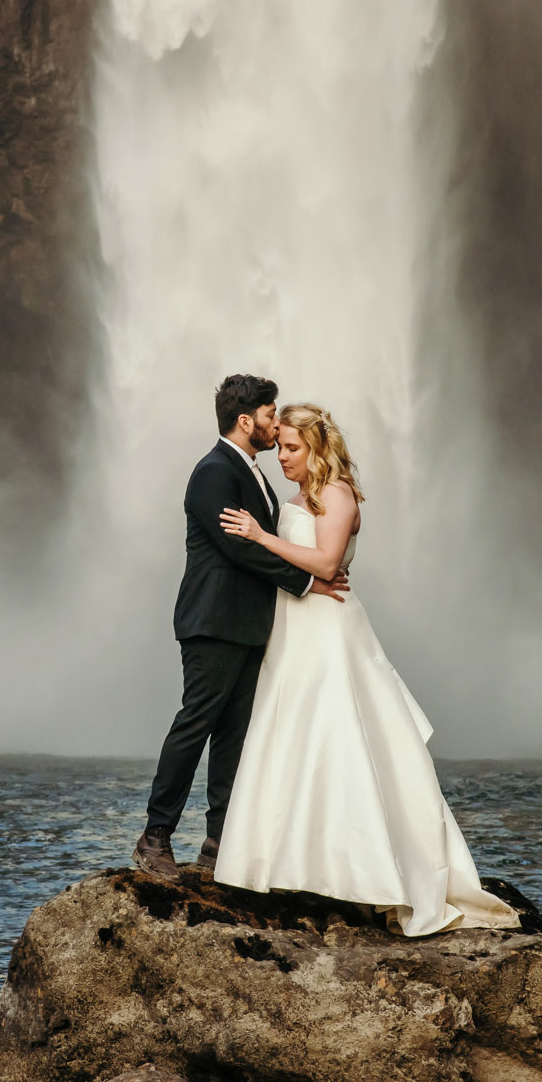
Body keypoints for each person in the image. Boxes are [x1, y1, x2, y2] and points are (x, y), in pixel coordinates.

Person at [210, 403, 519, 936]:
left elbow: (328, 563)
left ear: (318, 447)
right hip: (295, 624)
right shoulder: (296, 498)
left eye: (292, 447)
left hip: (329, 629)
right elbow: (300, 567)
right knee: (292, 736)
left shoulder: (337, 493)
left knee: (339, 739)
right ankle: (293, 866)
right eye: (279, 445)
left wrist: (260, 537)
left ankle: (362, 871)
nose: (282, 456)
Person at [134, 374, 351, 880]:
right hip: (213, 621)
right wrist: (306, 582)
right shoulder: (214, 471)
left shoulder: (250, 471)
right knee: (195, 726)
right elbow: (239, 548)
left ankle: (218, 843)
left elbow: (262, 542)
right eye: (272, 416)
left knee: (233, 736)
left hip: (249, 624)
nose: (277, 427)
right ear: (246, 419)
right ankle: (155, 836)